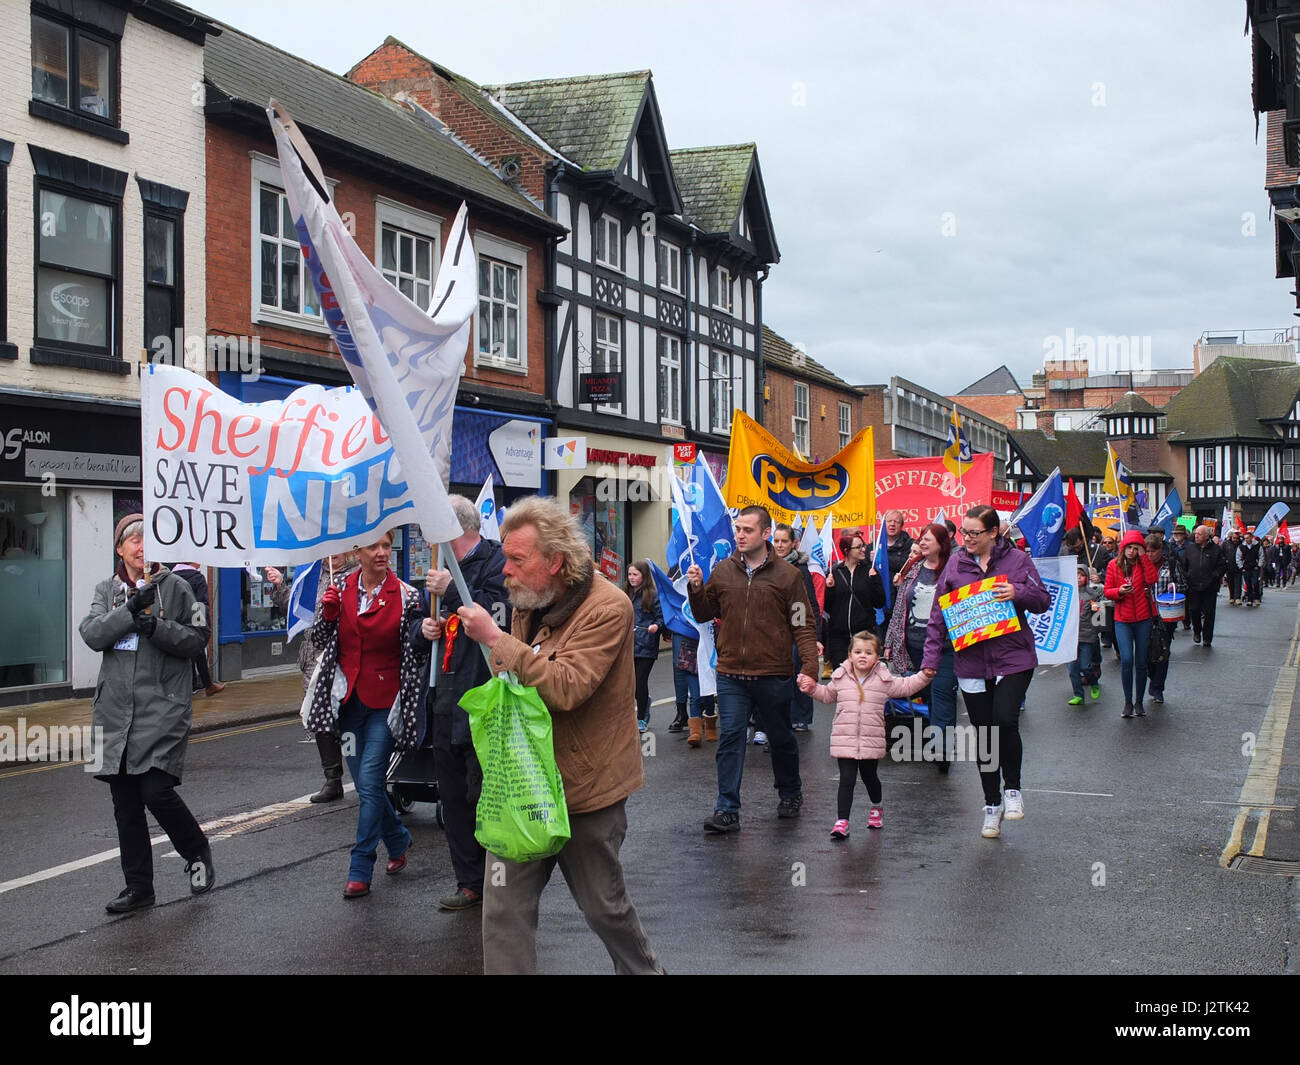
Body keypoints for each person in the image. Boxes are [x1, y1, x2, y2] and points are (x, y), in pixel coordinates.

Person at [454, 496, 664, 974]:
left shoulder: (609, 608)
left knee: (603, 909)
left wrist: (494, 638)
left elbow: (567, 687)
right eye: (504, 556)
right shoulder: (529, 598)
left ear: (556, 562)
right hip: (523, 786)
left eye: (516, 560)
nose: (504, 570)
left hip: (587, 790)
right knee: (503, 911)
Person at [79, 514, 214, 914]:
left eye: (149, 539)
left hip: (162, 707)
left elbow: (198, 637)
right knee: (124, 801)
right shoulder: (107, 589)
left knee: (154, 789)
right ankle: (139, 888)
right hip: (115, 712)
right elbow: (91, 633)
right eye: (134, 541)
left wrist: (155, 625)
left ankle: (196, 850)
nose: (142, 548)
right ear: (120, 549)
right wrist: (128, 612)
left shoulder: (179, 587)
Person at [306, 531, 425, 899]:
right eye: (374, 546)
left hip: (384, 704)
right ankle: (398, 837)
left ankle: (360, 866)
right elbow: (321, 640)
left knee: (371, 780)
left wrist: (427, 632)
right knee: (366, 786)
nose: (382, 553)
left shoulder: (407, 596)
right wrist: (327, 613)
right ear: (356, 551)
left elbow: (416, 650)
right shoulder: (339, 588)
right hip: (348, 703)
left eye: (387, 546)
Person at [687, 505, 820, 833]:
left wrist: (811, 668)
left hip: (773, 673)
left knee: (780, 737)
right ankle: (727, 808)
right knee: (731, 736)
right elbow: (704, 614)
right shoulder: (723, 571)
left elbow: (802, 623)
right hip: (732, 672)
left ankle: (790, 791)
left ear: (764, 534)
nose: (740, 535)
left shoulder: (788, 577)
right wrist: (695, 589)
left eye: (747, 530)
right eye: (737, 529)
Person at [922, 504, 1050, 840]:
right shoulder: (955, 563)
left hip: (1013, 658)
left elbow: (1042, 600)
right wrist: (930, 661)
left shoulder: (1018, 561)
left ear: (994, 533)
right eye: (964, 532)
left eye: (974, 533)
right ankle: (991, 805)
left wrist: (1017, 592)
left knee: (1005, 720)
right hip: (972, 662)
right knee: (985, 735)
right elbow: (938, 617)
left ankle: (1013, 790)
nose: (966, 539)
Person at [408, 495, 509, 912]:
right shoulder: (437, 568)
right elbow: (413, 625)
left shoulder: (496, 562)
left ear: (454, 528)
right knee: (452, 798)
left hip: (482, 697)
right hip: (444, 700)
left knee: (482, 794)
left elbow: (497, 615)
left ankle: (499, 881)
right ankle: (469, 882)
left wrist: (451, 593)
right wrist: (422, 630)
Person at [799, 631, 931, 837]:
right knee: (847, 779)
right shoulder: (840, 677)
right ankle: (842, 821)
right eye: (858, 651)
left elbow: (906, 686)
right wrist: (812, 689)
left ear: (877, 657)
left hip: (872, 739)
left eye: (869, 652)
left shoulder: (883, 679)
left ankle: (876, 807)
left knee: (870, 777)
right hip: (845, 738)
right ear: (850, 655)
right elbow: (827, 695)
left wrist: (924, 675)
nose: (863, 656)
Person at [268, 552, 359, 803]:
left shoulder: (357, 575)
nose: (333, 556)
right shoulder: (311, 577)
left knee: (349, 716)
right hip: (314, 657)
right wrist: (279, 585)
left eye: (338, 550)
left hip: (346, 655)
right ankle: (332, 780)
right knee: (320, 717)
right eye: (328, 552)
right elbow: (296, 608)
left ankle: (366, 777)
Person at [883, 523, 959, 772]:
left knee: (942, 695)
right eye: (921, 539)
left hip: (944, 648)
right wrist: (891, 643)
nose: (922, 543)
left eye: (928, 539)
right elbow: (900, 609)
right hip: (914, 647)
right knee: (929, 697)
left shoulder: (954, 568)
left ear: (942, 542)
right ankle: (938, 736)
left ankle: (942, 749)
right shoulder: (914, 567)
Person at [1104, 529, 1160, 718]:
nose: (1131, 551)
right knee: (1127, 660)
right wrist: (1119, 591)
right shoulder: (1114, 565)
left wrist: (1144, 558)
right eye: (1129, 547)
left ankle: (1139, 701)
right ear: (1123, 548)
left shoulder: (1143, 564)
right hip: (1123, 620)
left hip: (1143, 619)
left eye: (1135, 548)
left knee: (1141, 661)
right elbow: (1107, 591)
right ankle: (1128, 701)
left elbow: (1153, 579)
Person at [773, 522, 823, 732]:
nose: (780, 545)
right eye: (776, 541)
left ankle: (801, 716)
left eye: (784, 541)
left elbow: (811, 603)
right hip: (774, 631)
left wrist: (815, 635)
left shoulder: (801, 569)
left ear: (794, 543)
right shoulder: (767, 566)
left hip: (797, 629)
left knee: (799, 671)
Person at [823, 529, 886, 668]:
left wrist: (875, 581)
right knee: (842, 678)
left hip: (864, 636)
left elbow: (880, 602)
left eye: (862, 545)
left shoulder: (869, 570)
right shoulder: (835, 572)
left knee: (865, 678)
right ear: (847, 550)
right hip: (839, 637)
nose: (863, 549)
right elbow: (827, 607)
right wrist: (830, 589)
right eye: (858, 547)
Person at [168, 562, 225, 697]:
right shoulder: (197, 578)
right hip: (193, 620)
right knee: (198, 652)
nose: (200, 562)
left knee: (184, 654)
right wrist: (202, 627)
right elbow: (200, 603)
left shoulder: (170, 577)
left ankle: (194, 685)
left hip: (175, 622)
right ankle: (206, 685)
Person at [1145, 531, 1185, 705]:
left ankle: (1158, 688)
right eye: (1146, 551)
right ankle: (1151, 676)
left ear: (1160, 550)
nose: (1149, 555)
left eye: (1152, 551)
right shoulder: (1140, 565)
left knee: (1162, 651)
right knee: (1145, 653)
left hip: (1166, 614)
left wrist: (1175, 585)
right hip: (1144, 613)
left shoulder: (1171, 564)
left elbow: (1184, 583)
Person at [625, 560, 664, 733]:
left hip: (646, 644)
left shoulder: (652, 594)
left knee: (640, 681)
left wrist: (656, 626)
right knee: (629, 683)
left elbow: (661, 618)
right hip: (628, 644)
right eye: (629, 574)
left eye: (635, 574)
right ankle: (643, 703)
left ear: (643, 575)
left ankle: (641, 718)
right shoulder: (625, 593)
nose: (631, 578)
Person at [669, 627, 716, 746]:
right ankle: (695, 732)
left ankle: (710, 726)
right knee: (695, 696)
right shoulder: (686, 611)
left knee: (708, 695)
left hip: (707, 653)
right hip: (690, 653)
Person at [1182, 524, 1227, 648]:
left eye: (1199, 534)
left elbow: (1222, 566)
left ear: (1207, 536)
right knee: (1194, 610)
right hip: (1193, 586)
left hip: (1209, 587)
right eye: (1195, 534)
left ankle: (1207, 638)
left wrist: (1214, 576)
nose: (1196, 536)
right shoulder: (1190, 549)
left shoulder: (1216, 549)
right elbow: (1183, 565)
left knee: (1209, 613)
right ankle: (1197, 631)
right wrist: (1187, 576)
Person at [1068, 563, 1105, 705]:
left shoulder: (1092, 594)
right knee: (1072, 669)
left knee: (1085, 666)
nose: (1078, 578)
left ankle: (1093, 682)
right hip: (1071, 637)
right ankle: (1079, 695)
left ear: (1087, 577)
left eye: (1082, 575)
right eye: (1076, 575)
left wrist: (1096, 632)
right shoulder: (1069, 593)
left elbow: (1100, 616)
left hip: (1087, 636)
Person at [1241, 529, 1263, 607]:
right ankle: (1250, 599)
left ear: (1251, 538)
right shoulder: (1242, 546)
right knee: (1248, 584)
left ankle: (1257, 598)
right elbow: (1238, 557)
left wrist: (1258, 565)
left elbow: (1261, 556)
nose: (1246, 539)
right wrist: (1241, 567)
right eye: (1245, 538)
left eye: (1247, 538)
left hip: (1255, 568)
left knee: (1255, 583)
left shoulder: (1257, 546)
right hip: (1246, 568)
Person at [1224, 529, 1244, 605]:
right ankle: (1232, 597)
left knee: (1238, 582)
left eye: (1237, 538)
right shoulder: (1226, 544)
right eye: (1234, 538)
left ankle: (1238, 597)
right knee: (1231, 583)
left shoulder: (1241, 544)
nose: (1235, 540)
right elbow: (1223, 553)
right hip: (1229, 566)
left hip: (1238, 566)